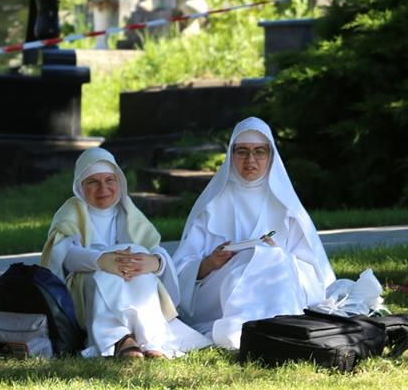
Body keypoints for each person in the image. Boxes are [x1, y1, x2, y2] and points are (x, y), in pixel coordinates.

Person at [171, 116, 336, 350]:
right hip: (219, 295)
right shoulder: (212, 205)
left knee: (269, 255)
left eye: (259, 152)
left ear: (271, 156)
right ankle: (246, 328)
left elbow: (314, 272)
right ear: (231, 155)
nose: (250, 160)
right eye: (242, 152)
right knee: (259, 256)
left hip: (279, 282)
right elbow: (179, 272)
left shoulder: (286, 206)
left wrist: (277, 255)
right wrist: (209, 263)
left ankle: (267, 327)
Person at [41, 147, 210, 358]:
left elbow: (155, 249)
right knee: (106, 274)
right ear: (80, 186)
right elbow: (64, 256)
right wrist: (101, 260)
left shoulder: (129, 213)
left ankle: (149, 339)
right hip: (85, 286)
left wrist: (155, 262)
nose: (103, 188)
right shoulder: (70, 213)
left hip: (131, 279)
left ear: (119, 183)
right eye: (93, 181)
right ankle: (118, 338)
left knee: (140, 262)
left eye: (109, 180)